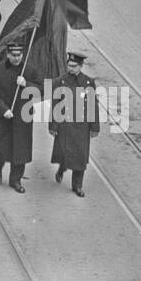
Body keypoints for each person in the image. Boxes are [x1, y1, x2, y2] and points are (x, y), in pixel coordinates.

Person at [0, 42, 42, 192]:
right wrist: (3, 109)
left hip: (22, 117)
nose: (16, 58)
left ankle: (15, 180)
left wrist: (26, 84)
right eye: (13, 55)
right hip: (3, 116)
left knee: (20, 150)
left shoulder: (29, 70)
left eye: (19, 55)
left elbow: (41, 90)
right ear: (8, 54)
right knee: (1, 147)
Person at [49, 52, 99, 198]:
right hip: (65, 125)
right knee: (65, 152)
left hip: (82, 126)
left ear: (81, 66)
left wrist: (95, 127)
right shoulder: (60, 81)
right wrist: (53, 126)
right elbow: (55, 104)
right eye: (69, 65)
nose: (70, 68)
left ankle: (77, 185)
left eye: (74, 66)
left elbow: (92, 105)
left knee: (80, 157)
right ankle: (62, 168)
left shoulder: (89, 83)